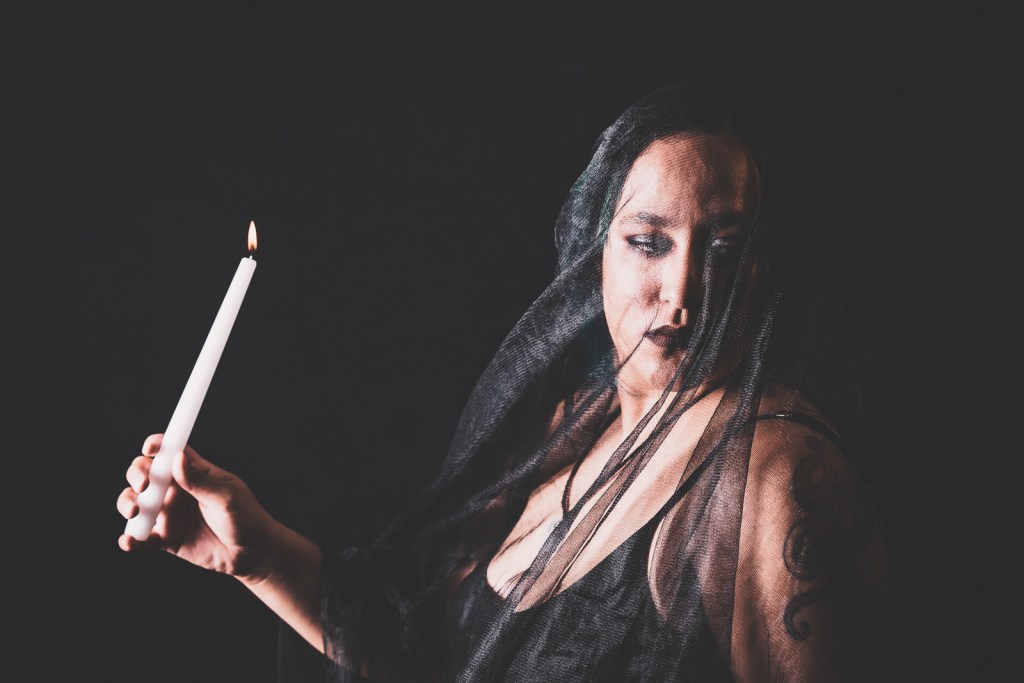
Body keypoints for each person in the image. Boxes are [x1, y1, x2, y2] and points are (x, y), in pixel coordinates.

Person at [117, 81, 907, 681]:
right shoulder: (575, 422)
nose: (684, 291)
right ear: (597, 250)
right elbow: (418, 648)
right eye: (647, 241)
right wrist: (252, 553)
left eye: (727, 249)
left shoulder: (777, 477)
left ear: (769, 271)